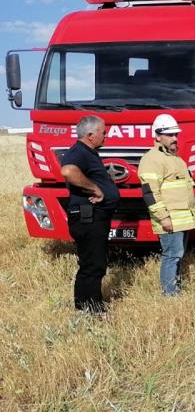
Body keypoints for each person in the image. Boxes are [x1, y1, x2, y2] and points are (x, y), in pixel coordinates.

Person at [60, 115, 120, 312]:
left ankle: (86, 307)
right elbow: (68, 171)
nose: (106, 136)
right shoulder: (79, 152)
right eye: (103, 132)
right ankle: (92, 309)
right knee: (93, 265)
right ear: (91, 135)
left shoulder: (87, 152)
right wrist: (95, 188)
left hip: (93, 216)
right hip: (88, 216)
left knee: (93, 263)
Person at [138, 113, 195, 296]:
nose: (175, 138)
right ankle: (169, 294)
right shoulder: (152, 159)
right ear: (157, 136)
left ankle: (175, 289)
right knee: (172, 256)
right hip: (170, 220)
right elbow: (150, 193)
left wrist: (194, 212)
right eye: (170, 135)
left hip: (182, 219)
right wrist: (164, 218)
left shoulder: (174, 158)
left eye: (176, 135)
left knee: (178, 256)